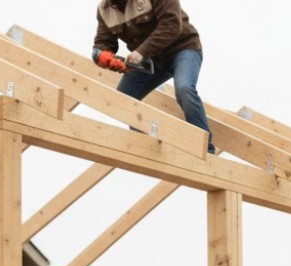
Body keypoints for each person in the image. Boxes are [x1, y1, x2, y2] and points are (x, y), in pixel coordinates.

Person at [92, 0, 216, 154]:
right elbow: (104, 42)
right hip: (152, 61)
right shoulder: (105, 10)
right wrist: (103, 56)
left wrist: (141, 52)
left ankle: (206, 151)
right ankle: (150, 148)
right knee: (123, 100)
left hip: (182, 48)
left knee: (184, 88)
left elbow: (171, 25)